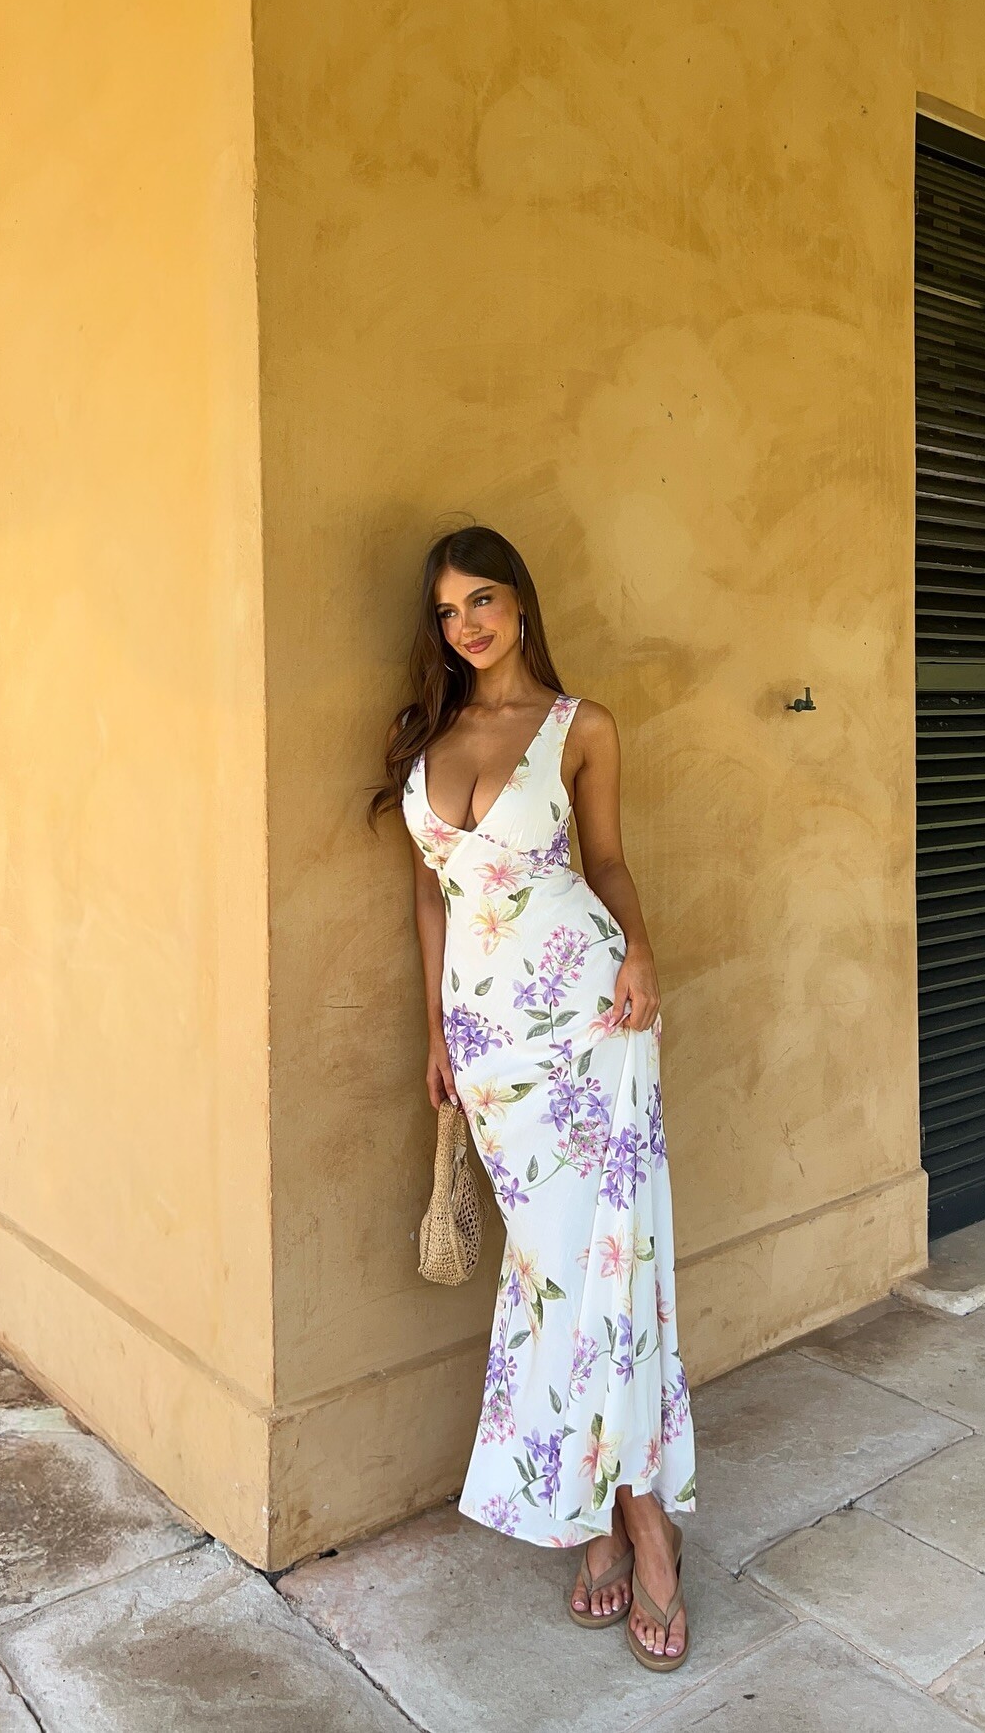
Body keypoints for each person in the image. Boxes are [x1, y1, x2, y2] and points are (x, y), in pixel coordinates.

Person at [370, 524, 695, 1670]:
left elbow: (605, 864)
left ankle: (636, 1529)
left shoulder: (579, 728)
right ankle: (606, 1509)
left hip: (592, 1027)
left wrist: (640, 951)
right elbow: (430, 897)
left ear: (519, 604)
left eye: (483, 600)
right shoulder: (423, 736)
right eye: (448, 610)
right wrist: (435, 1034)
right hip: (489, 1043)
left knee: (606, 1267)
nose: (467, 624)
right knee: (551, 1274)